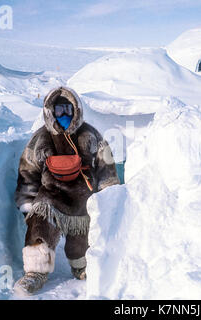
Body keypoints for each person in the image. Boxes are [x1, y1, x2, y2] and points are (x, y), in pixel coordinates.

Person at [13, 86, 120, 295]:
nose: (63, 115)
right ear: (50, 112)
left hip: (83, 199)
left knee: (82, 239)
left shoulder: (90, 135)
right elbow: (28, 170)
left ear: (76, 110)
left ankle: (81, 266)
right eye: (58, 110)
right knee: (39, 227)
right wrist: (27, 201)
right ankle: (36, 273)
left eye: (67, 110)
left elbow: (106, 167)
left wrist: (108, 198)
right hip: (51, 198)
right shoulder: (41, 138)